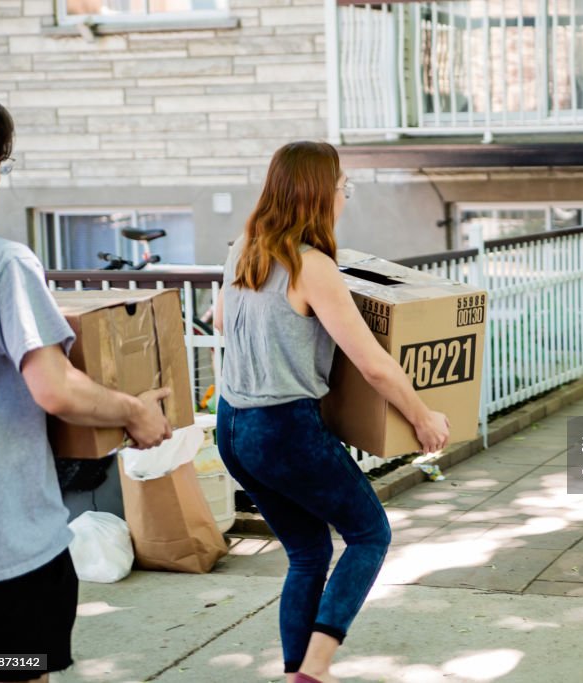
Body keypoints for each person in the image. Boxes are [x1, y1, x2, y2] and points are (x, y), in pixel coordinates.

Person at [0, 89, 173, 683]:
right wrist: (133, 410)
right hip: (0, 551)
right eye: (1, 162)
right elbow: (54, 389)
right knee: (10, 673)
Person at [214, 141, 450, 683]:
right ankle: (315, 670)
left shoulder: (244, 247)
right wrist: (422, 416)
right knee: (369, 535)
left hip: (234, 427)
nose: (346, 196)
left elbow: (222, 320)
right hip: (283, 429)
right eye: (343, 186)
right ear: (321, 193)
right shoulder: (313, 265)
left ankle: (299, 670)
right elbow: (375, 367)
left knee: (308, 551)